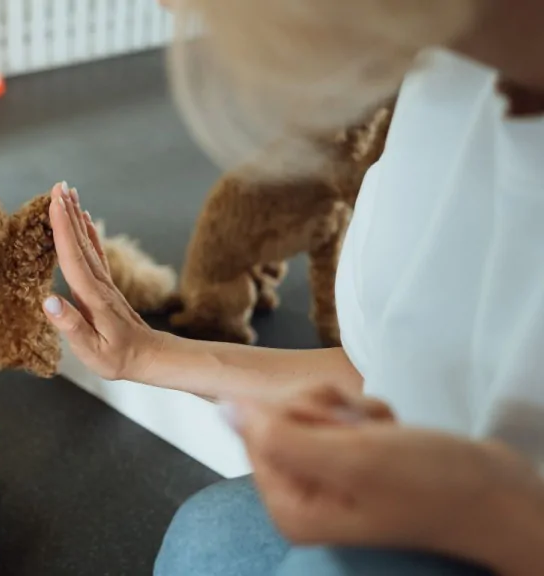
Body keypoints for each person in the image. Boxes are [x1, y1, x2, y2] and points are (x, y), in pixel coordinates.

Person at [40, 1, 544, 575]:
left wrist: (498, 518)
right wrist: (147, 354)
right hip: (447, 496)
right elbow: (388, 373)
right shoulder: (440, 81)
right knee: (208, 536)